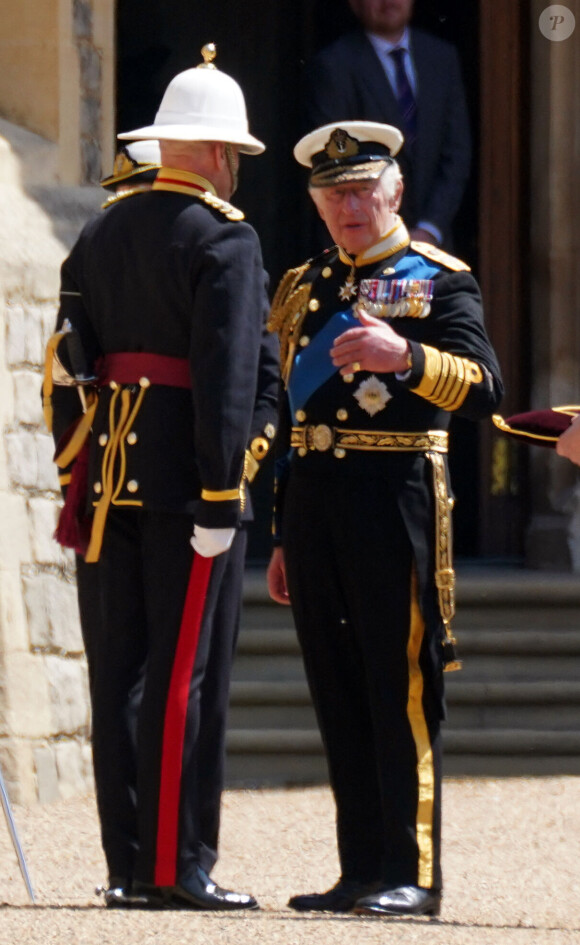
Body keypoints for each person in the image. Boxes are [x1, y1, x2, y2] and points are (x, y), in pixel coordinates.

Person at [45, 45, 273, 911]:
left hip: (109, 482)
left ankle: (126, 862)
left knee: (122, 676)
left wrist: (80, 468)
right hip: (189, 488)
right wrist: (224, 492)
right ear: (218, 154)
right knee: (186, 678)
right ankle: (176, 869)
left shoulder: (98, 230)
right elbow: (225, 380)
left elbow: (67, 364)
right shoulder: (226, 238)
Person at [266, 120, 503, 918]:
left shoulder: (438, 279)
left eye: (362, 190)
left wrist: (403, 357)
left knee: (397, 688)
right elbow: (286, 414)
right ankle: (361, 865)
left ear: (395, 192)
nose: (348, 206)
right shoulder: (304, 283)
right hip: (314, 507)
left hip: (395, 498)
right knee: (335, 688)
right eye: (333, 195)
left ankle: (414, 873)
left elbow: (484, 389)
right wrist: (278, 531)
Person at [301, 0, 471, 247]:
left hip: (433, 246)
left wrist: (429, 228)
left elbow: (457, 153)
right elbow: (333, 165)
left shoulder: (442, 58)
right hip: (365, 245)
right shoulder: (333, 66)